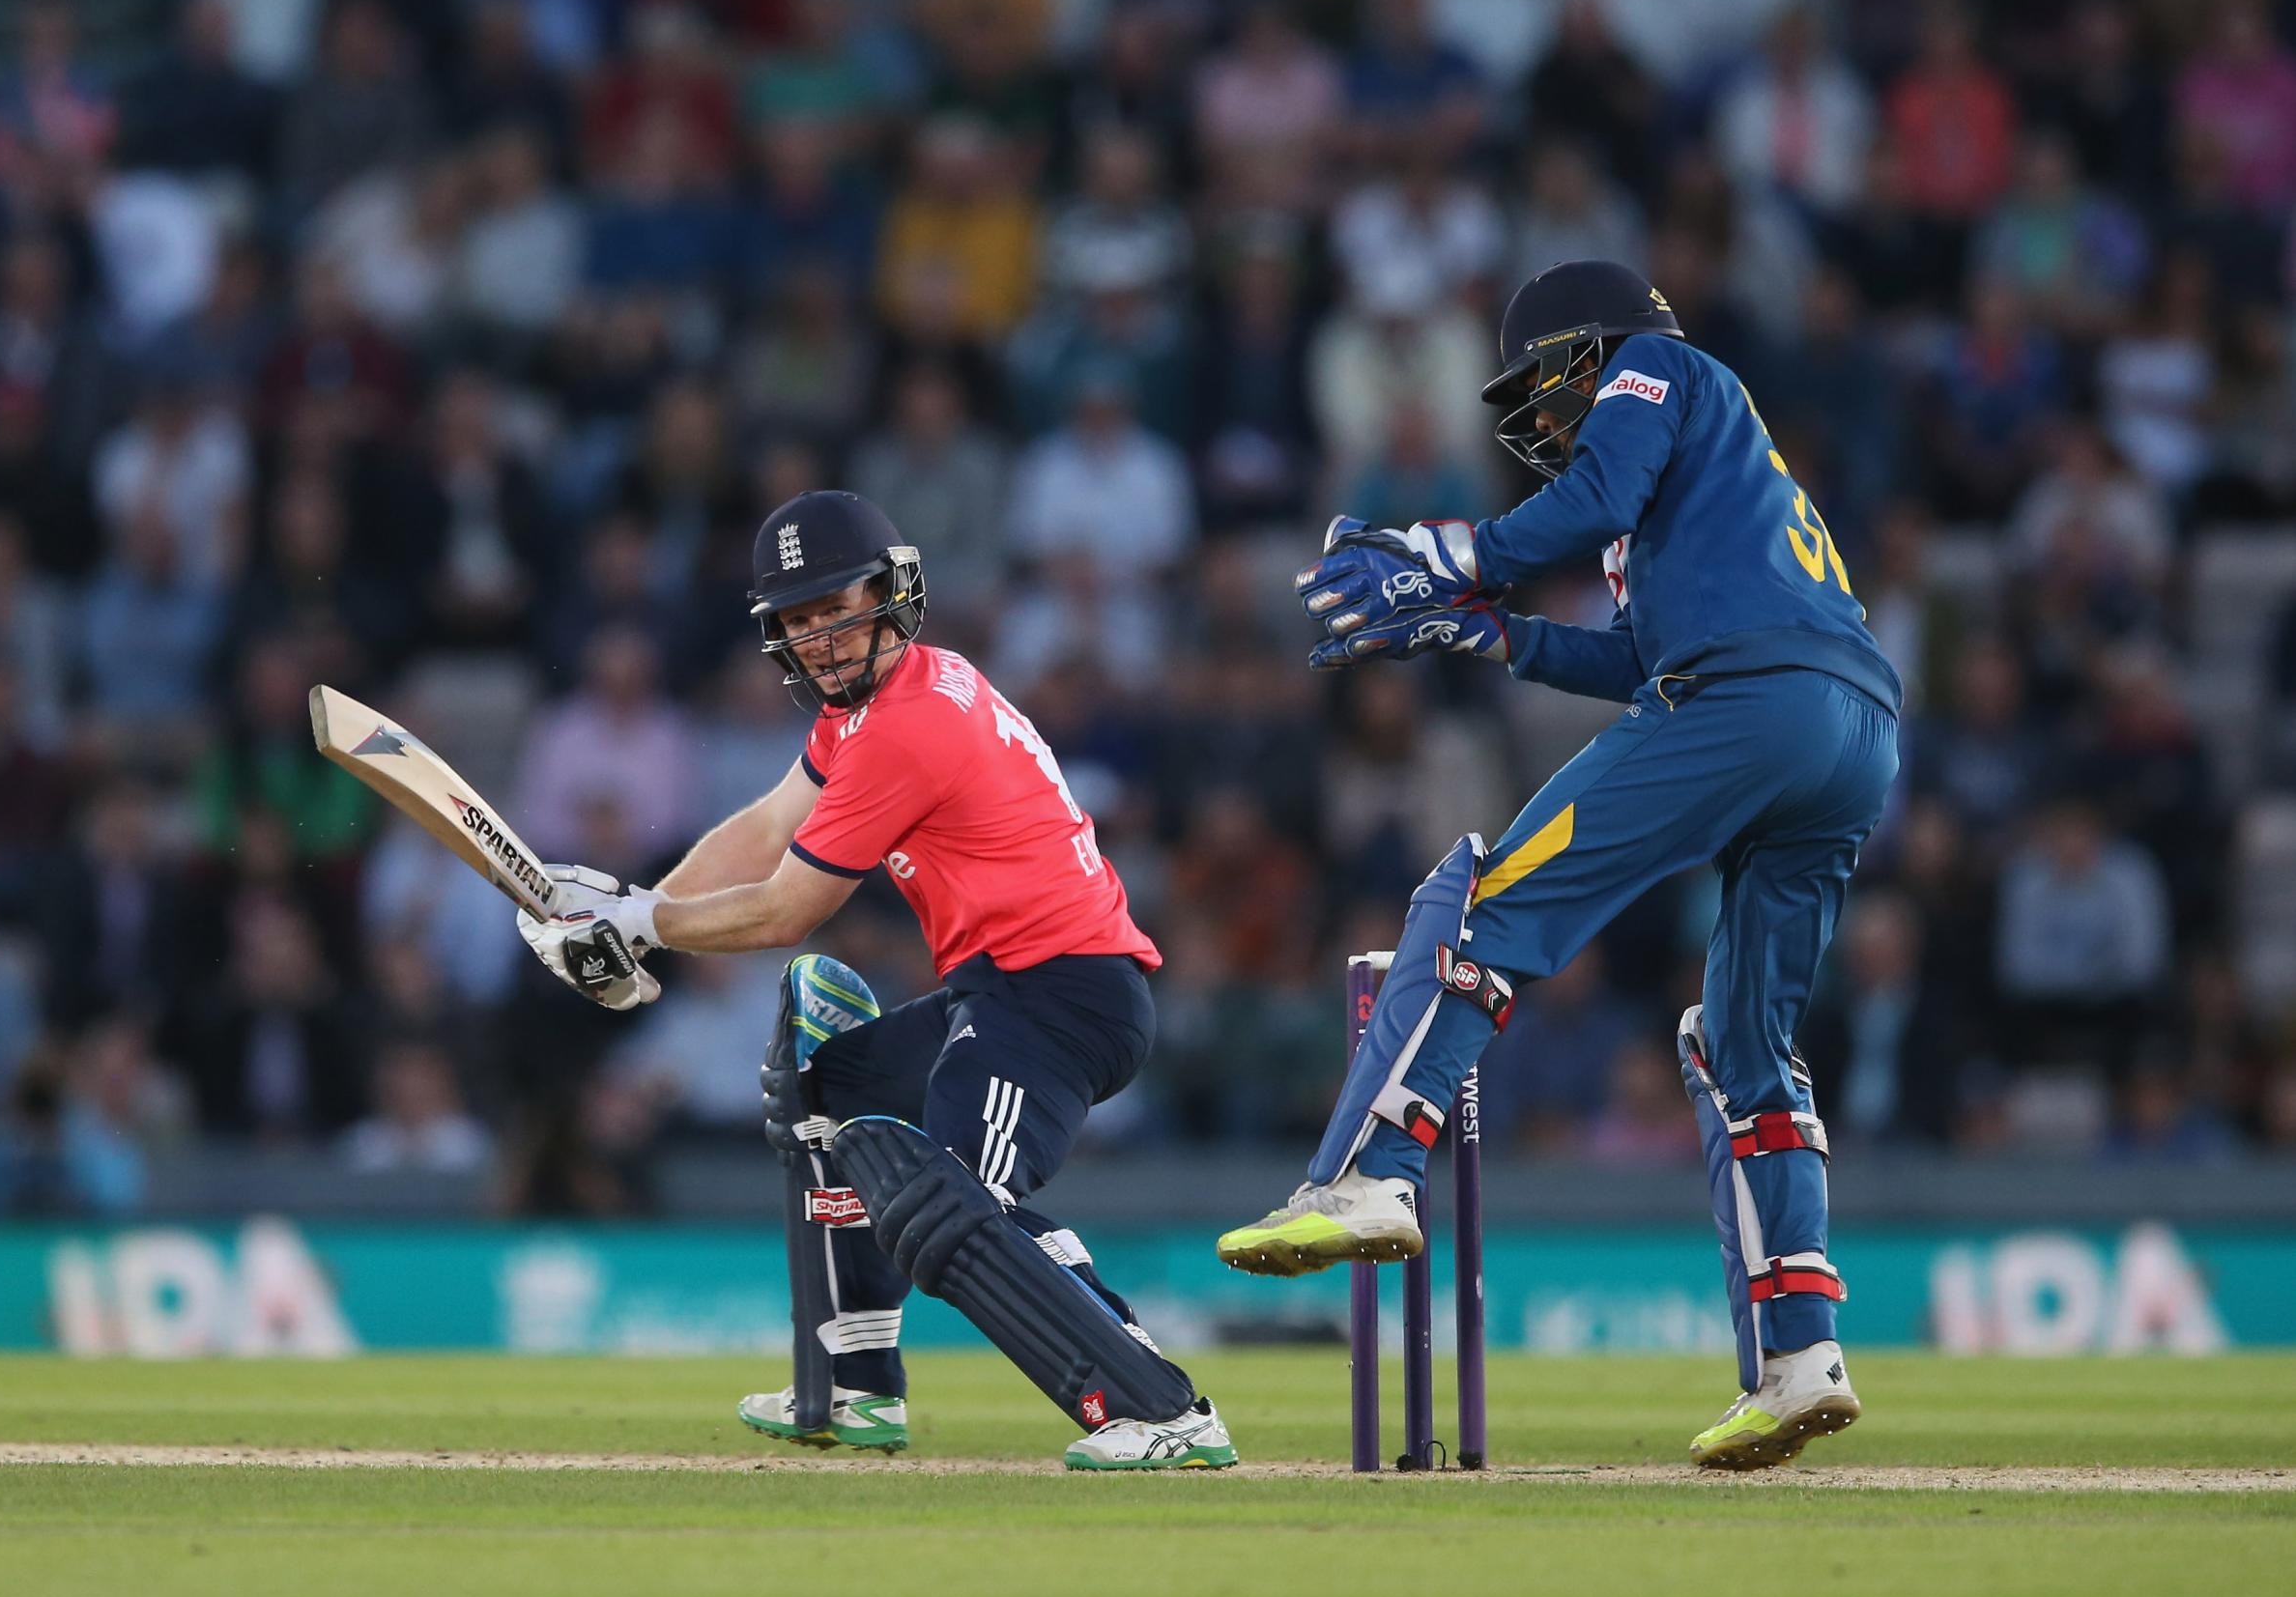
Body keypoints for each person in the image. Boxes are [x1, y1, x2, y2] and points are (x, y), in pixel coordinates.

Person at [1216, 261, 1902, 1471]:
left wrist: (1449, 551)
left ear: (1603, 351)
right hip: (1850, 736)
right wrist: (1479, 628)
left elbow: (1594, 498)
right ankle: (1800, 1363)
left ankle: (1369, 1177)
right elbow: (1631, 663)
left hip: (1748, 702)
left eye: (1548, 382)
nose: (1538, 415)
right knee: (1737, 1045)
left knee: (1481, 901)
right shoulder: (1692, 510)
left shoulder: (1667, 368)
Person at [515, 490, 1234, 1470]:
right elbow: (767, 826)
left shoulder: (906, 729)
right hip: (1003, 990)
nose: (821, 637)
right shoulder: (875, 713)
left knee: (946, 1204)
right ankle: (854, 1384)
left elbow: (786, 908)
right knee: (831, 1089)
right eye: (800, 620)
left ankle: (1160, 1408)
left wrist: (639, 925)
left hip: (1060, 996)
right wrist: (640, 915)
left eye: (837, 606)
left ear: (891, 594)